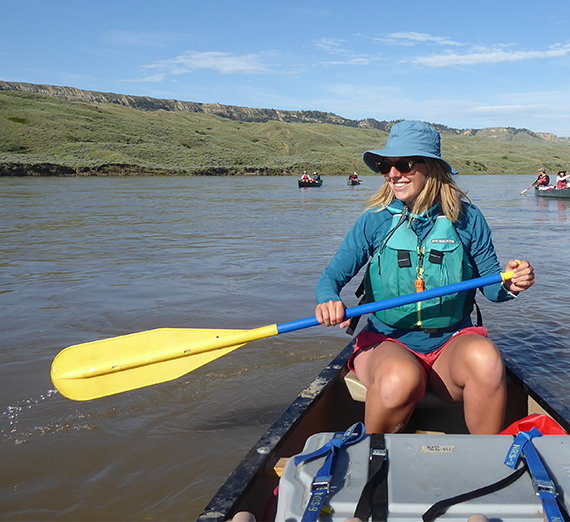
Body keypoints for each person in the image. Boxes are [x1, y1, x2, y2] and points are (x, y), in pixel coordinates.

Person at [315, 121, 535, 435]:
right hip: (387, 341)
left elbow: (491, 286)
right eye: (385, 166)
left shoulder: (468, 219)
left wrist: (510, 284)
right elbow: (331, 277)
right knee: (399, 378)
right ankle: (373, 463)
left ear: (431, 168)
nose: (393, 174)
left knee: (487, 361)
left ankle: (485, 463)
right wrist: (328, 299)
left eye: (403, 164)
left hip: (450, 344)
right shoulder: (374, 221)